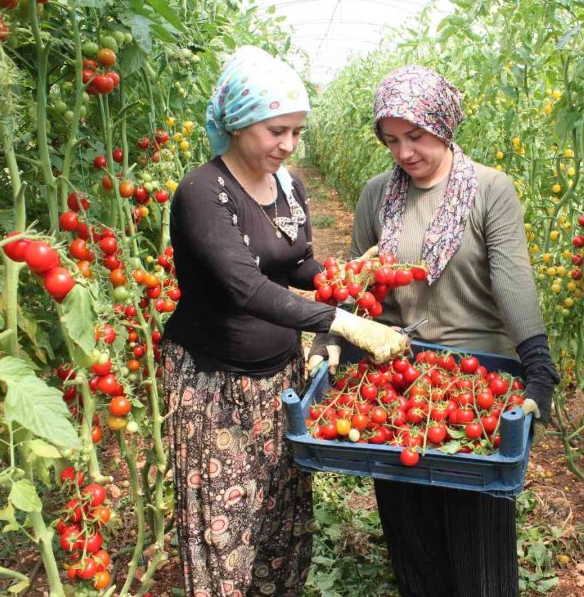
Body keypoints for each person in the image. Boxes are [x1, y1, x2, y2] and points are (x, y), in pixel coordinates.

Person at [162, 46, 408, 597]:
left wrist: (344, 275)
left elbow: (296, 264)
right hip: (216, 383)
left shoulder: (289, 185)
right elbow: (247, 287)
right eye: (277, 131)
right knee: (228, 520)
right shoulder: (203, 192)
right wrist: (342, 321)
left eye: (297, 132)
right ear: (239, 123)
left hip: (280, 376)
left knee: (278, 508)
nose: (289, 145)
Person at [312, 65, 560, 597]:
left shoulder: (491, 190)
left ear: (444, 126)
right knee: (409, 523)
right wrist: (327, 340)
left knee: (477, 529)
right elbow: (354, 283)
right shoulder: (377, 196)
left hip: (477, 378)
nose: (404, 152)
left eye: (416, 136)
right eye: (392, 140)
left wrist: (538, 367)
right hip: (398, 373)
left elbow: (513, 282)